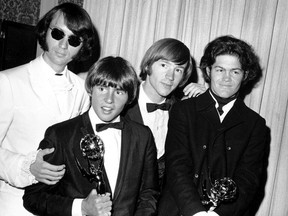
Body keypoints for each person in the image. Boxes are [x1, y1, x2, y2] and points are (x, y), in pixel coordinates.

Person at [23, 56, 159, 216]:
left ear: (129, 97)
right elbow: (33, 198)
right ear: (90, 89)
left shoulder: (143, 136)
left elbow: (149, 194)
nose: (109, 99)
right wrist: (80, 207)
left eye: (119, 92)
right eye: (102, 89)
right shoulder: (61, 135)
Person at [0, 3, 98, 215]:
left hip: (59, 203)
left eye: (73, 40)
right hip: (14, 202)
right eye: (57, 33)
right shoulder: (8, 81)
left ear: (82, 46)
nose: (63, 45)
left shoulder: (82, 89)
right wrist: (27, 167)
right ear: (45, 32)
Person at [158, 35, 268, 216]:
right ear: (208, 71)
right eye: (220, 70)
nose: (226, 78)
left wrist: (218, 214)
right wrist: (197, 212)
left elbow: (248, 181)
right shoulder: (183, 110)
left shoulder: (255, 124)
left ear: (245, 75)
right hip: (179, 210)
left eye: (235, 72)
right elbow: (177, 167)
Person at [123, 38, 205, 191]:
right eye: (164, 65)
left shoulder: (183, 112)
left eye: (178, 70)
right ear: (148, 65)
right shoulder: (121, 101)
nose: (170, 76)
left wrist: (208, 103)